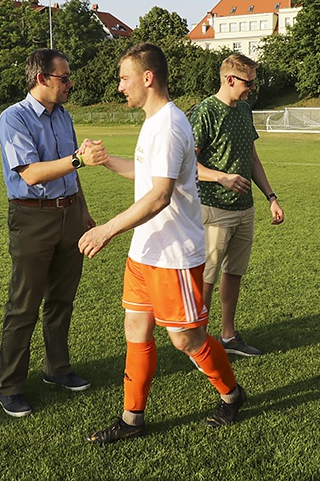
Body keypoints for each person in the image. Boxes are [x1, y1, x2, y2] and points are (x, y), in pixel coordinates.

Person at [79, 43, 245, 444]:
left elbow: (159, 196)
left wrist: (107, 230)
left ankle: (232, 394)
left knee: (185, 338)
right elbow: (145, 174)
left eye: (124, 78)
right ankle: (131, 419)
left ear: (147, 77)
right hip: (144, 253)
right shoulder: (153, 122)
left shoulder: (170, 125)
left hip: (173, 257)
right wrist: (104, 161)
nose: (120, 87)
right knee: (135, 328)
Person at [0, 48, 108, 417]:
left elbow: (69, 174)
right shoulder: (14, 118)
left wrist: (84, 210)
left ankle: (57, 369)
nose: (70, 84)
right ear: (41, 78)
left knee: (62, 300)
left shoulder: (64, 117)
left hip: (69, 215)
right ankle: (10, 386)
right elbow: (30, 173)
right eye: (64, 78)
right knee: (23, 305)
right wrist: (78, 159)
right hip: (32, 218)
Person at [188, 54, 284, 357]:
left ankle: (228, 336)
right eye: (249, 82)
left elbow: (252, 157)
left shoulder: (244, 109)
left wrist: (271, 196)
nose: (252, 88)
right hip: (213, 208)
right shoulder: (204, 112)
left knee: (234, 273)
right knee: (207, 277)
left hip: (245, 209)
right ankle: (199, 342)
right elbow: (186, 164)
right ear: (230, 79)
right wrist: (221, 178)